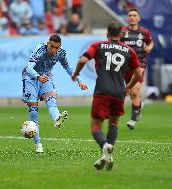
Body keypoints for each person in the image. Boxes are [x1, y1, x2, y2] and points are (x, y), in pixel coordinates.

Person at [72, 22, 142, 170]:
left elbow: (83, 60)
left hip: (102, 91)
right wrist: (128, 86)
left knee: (95, 126)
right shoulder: (129, 50)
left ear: (107, 34)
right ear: (121, 35)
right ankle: (107, 156)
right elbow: (139, 73)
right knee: (114, 124)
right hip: (119, 92)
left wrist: (76, 74)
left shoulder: (98, 45)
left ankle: (105, 146)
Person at [22, 34, 87, 153]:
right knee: (33, 113)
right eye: (51, 46)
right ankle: (38, 144)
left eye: (56, 48)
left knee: (51, 100)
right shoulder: (40, 50)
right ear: (48, 43)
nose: (53, 50)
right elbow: (28, 68)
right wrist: (37, 76)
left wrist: (80, 81)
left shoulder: (61, 53)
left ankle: (57, 118)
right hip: (31, 78)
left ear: (59, 46)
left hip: (46, 77)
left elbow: (69, 68)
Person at [121, 8, 154, 129]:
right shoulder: (123, 32)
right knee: (130, 93)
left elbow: (150, 42)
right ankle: (139, 106)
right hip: (125, 67)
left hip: (140, 65)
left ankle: (133, 120)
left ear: (139, 18)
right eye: (130, 15)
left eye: (134, 15)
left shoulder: (144, 32)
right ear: (127, 18)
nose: (132, 17)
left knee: (134, 92)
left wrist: (149, 48)